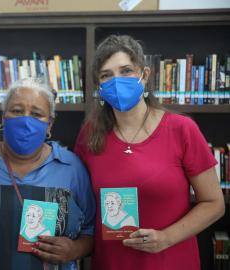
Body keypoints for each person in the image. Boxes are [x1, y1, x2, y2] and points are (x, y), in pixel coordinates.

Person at [74, 34, 225, 270]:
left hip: (171, 261)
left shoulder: (181, 129)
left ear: (144, 76)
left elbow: (214, 203)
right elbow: (82, 204)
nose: (117, 81)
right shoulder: (89, 135)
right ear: (99, 87)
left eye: (126, 71)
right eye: (106, 75)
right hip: (111, 263)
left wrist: (167, 238)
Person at [0, 77, 96, 270]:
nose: (25, 120)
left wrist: (74, 249)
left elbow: (91, 230)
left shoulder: (71, 168)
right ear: (3, 118)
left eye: (36, 114)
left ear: (49, 125)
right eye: (16, 111)